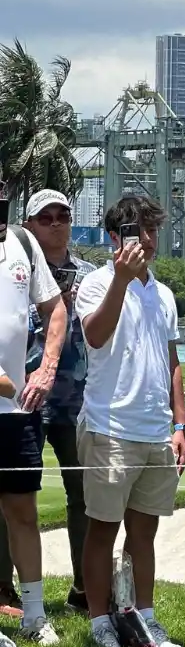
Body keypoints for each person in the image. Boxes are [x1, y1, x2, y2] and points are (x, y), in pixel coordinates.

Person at [76, 195, 185, 647]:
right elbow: (95, 334)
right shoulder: (96, 283)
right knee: (102, 529)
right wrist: (121, 280)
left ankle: (146, 617)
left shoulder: (164, 294)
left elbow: (172, 362)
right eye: (137, 231)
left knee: (144, 533)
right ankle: (100, 622)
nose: (148, 240)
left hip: (156, 431)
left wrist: (180, 425)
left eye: (152, 230)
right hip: (109, 427)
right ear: (114, 237)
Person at [0, 190, 93, 615]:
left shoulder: (89, 273)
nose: (56, 223)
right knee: (12, 499)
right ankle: (5, 589)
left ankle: (85, 587)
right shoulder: (19, 258)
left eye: (63, 216)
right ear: (30, 224)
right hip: (23, 398)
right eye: (46, 217)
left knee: (82, 495)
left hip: (74, 397)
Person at [0, 186, 68, 647]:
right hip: (9, 395)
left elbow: (55, 307)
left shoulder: (22, 243)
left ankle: (34, 616)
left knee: (22, 511)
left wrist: (46, 368)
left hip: (16, 411)